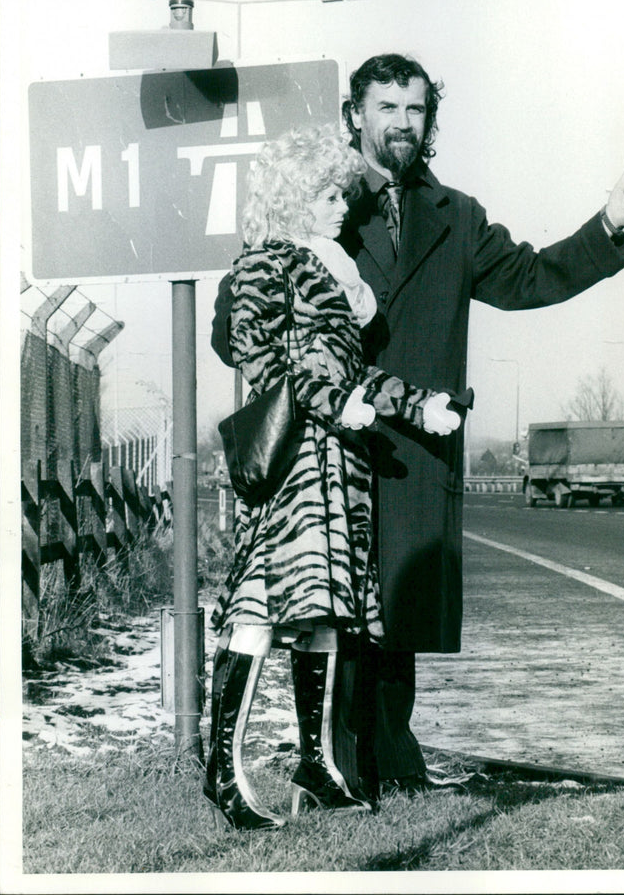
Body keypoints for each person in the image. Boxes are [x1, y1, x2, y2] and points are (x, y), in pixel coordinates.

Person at [212, 54, 624, 803]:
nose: (402, 123)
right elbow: (242, 316)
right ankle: (337, 759)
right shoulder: (314, 200)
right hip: (324, 444)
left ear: (430, 121)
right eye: (386, 107)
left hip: (413, 446)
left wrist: (607, 226)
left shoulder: (457, 218)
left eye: (416, 110)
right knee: (325, 602)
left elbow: (529, 277)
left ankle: (383, 754)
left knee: (398, 612)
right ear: (356, 115)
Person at [204, 123, 463, 830]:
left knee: (322, 614)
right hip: (295, 465)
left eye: (340, 194)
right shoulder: (267, 264)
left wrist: (417, 404)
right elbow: (259, 364)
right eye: (325, 195)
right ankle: (219, 770)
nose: (340, 206)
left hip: (336, 466)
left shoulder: (329, 270)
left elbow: (350, 373)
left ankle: (316, 763)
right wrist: (331, 403)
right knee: (261, 605)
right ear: (292, 199)